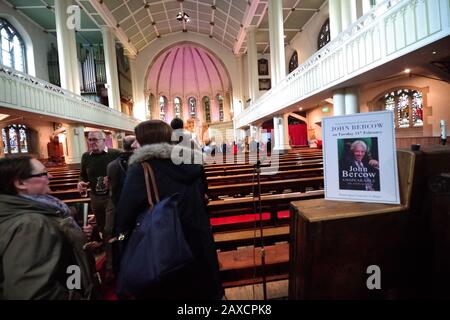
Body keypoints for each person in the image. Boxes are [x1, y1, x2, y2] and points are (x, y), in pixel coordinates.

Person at [115, 120, 223, 300]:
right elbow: (202, 197)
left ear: (147, 142)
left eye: (138, 140)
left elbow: (125, 215)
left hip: (165, 247)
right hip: (197, 241)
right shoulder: (193, 164)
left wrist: (120, 244)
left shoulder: (142, 169)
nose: (134, 144)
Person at [0, 156, 97, 299]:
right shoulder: (30, 224)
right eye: (44, 173)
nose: (50, 176)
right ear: (20, 183)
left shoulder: (30, 211)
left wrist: (73, 236)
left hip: (71, 278)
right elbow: (33, 292)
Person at [77, 131, 120, 236]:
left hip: (111, 195)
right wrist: (80, 182)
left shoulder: (115, 154)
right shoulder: (86, 156)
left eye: (95, 139)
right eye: (90, 140)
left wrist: (112, 179)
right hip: (95, 197)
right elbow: (82, 174)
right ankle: (106, 246)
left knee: (109, 228)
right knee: (101, 226)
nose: (92, 142)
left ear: (104, 141)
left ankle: (112, 250)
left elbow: (124, 173)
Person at [105, 135, 136, 275]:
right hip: (134, 212)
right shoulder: (138, 164)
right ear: (134, 145)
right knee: (131, 238)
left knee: (121, 237)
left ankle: (119, 266)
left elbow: (112, 189)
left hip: (118, 211)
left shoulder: (111, 165)